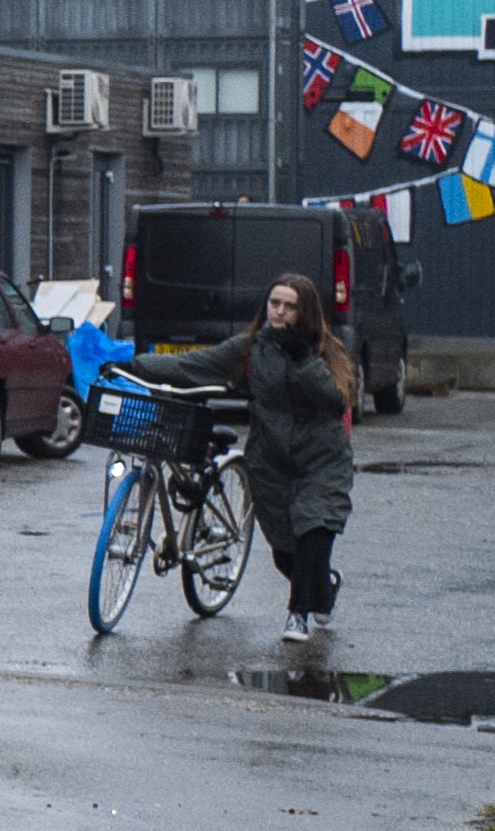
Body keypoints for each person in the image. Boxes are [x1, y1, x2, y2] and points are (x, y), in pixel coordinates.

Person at [139, 272, 361, 639]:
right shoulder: (251, 347)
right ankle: (322, 588)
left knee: (313, 527)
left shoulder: (326, 351)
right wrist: (136, 367)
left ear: (304, 312)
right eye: (275, 303)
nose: (280, 312)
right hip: (271, 461)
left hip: (321, 460)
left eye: (290, 306)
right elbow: (195, 364)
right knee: (286, 552)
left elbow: (335, 399)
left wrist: (303, 360)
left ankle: (297, 615)